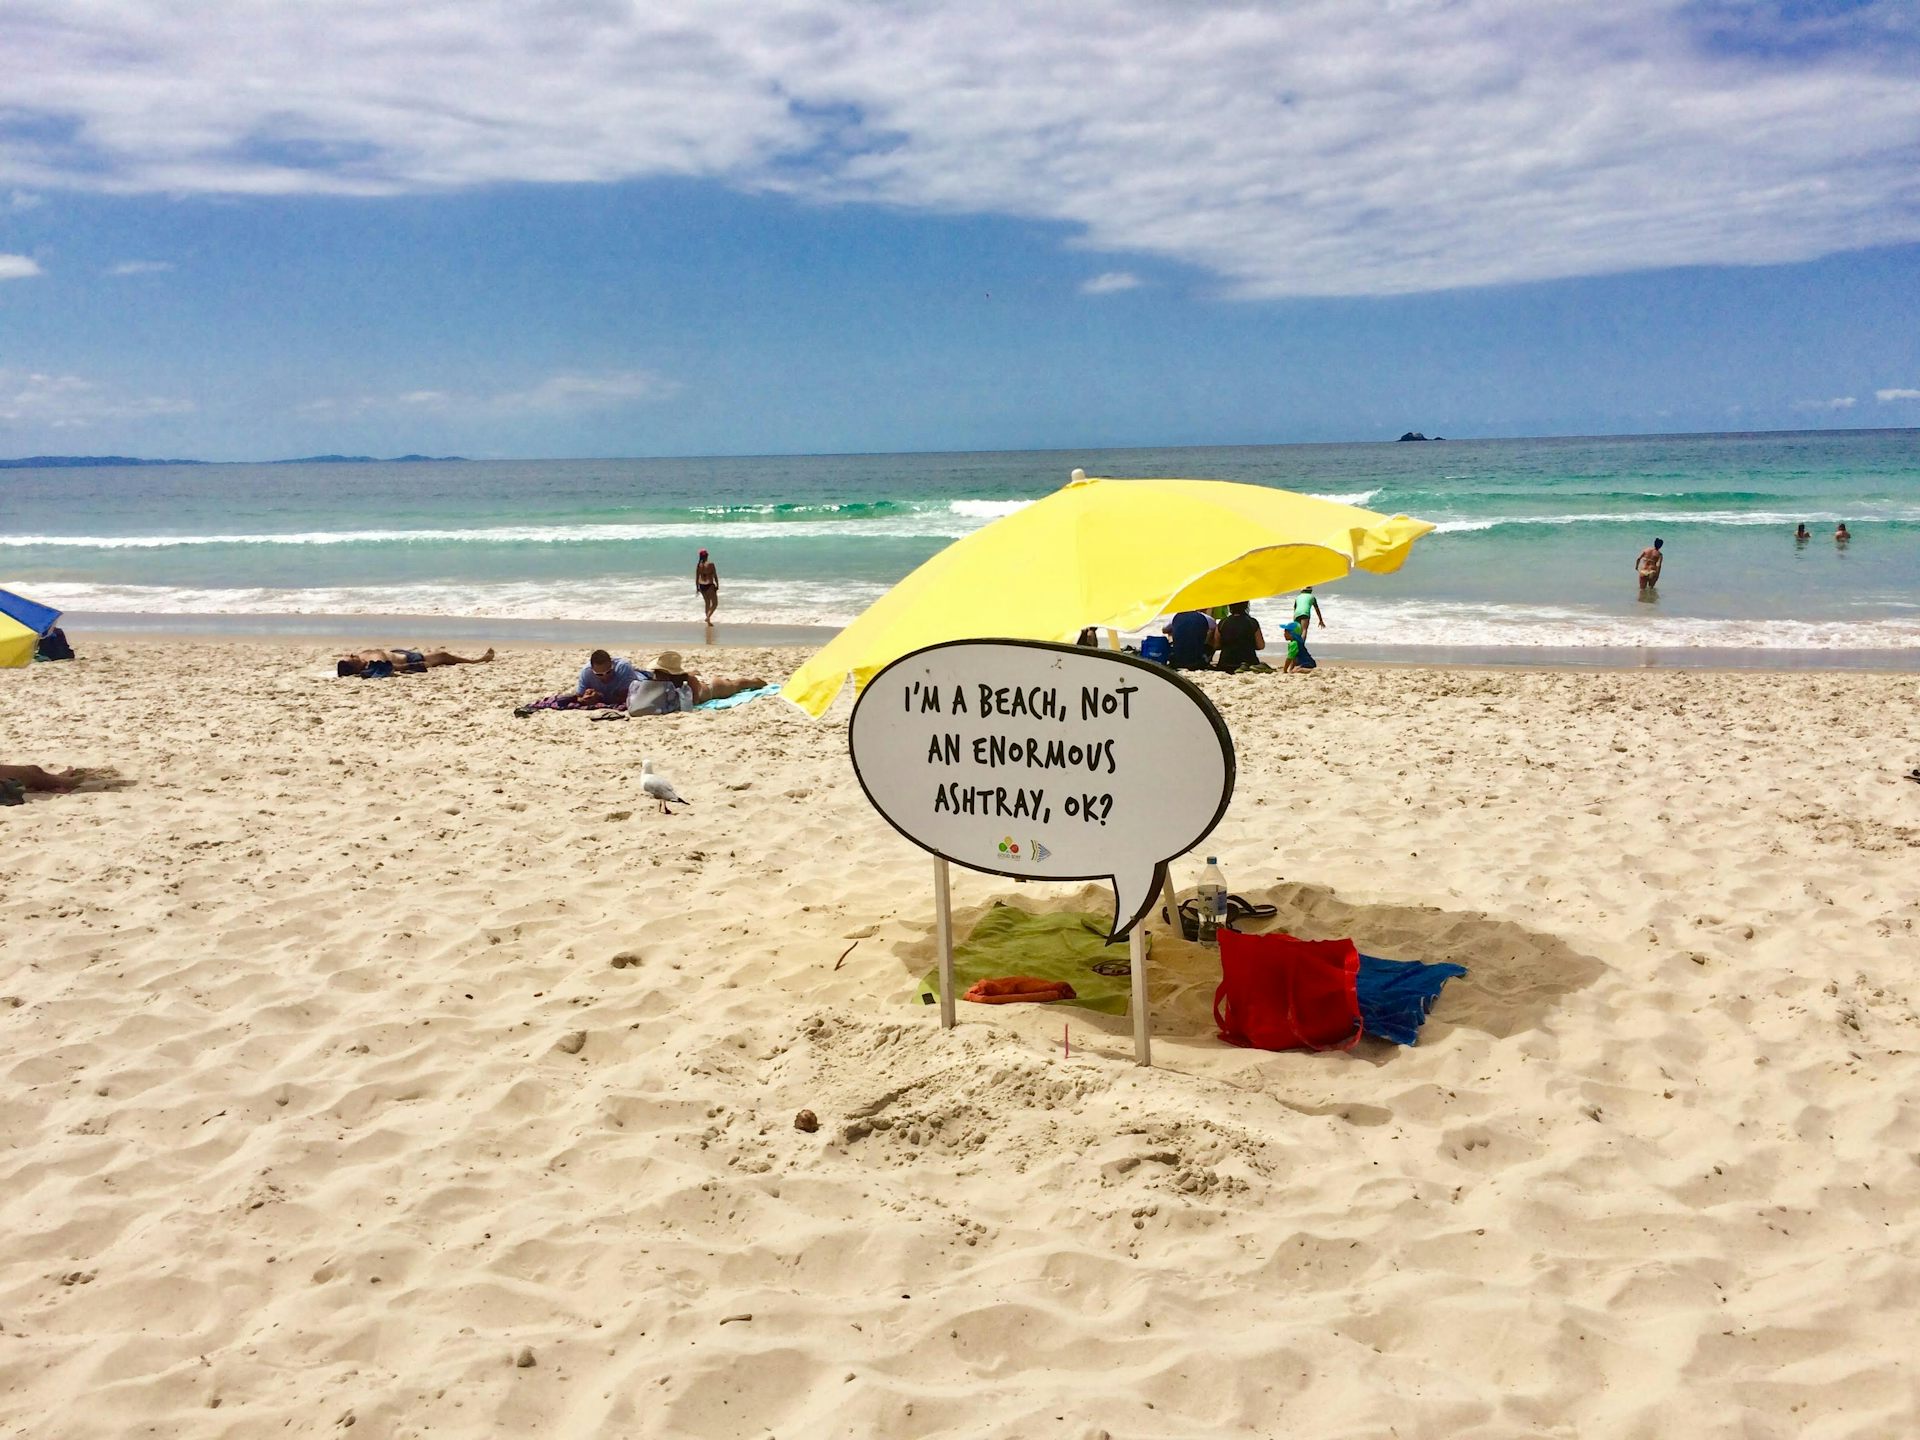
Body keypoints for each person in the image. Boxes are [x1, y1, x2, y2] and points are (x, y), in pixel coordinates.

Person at [646, 650, 765, 705]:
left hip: (713, 688)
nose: (655, 675)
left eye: (658, 672)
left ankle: (755, 682)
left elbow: (695, 701)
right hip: (702, 684)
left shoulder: (689, 680)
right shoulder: (659, 679)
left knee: (735, 685)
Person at [336, 646, 494, 677]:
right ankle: (476, 661)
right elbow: (392, 667)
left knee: (441, 654)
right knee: (443, 655)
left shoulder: (363, 658)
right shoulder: (373, 661)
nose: (352, 654)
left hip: (399, 652)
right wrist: (415, 666)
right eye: (351, 657)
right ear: (354, 665)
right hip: (409, 658)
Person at [1213, 601, 1267, 672]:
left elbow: (1216, 645)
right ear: (1246, 606)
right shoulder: (1252, 622)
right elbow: (1260, 646)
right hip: (1249, 663)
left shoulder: (1223, 622)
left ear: (1230, 606)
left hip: (1226, 663)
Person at [577, 649, 641, 706]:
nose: (605, 677)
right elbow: (579, 696)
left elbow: (627, 696)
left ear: (612, 664)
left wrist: (600, 697)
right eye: (599, 674)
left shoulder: (623, 668)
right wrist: (585, 699)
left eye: (608, 672)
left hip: (640, 678)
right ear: (592, 669)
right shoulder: (586, 672)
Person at [695, 549, 720, 623]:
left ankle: (708, 620)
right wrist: (717, 585)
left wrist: (697, 588)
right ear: (707, 556)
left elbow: (697, 578)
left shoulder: (698, 565)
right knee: (715, 603)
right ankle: (708, 617)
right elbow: (715, 576)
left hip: (701, 585)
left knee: (707, 603)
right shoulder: (711, 564)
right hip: (709, 585)